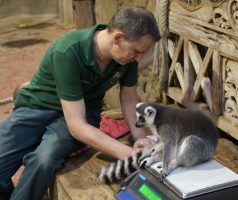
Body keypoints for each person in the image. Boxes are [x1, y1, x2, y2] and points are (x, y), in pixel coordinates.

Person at [0, 6, 160, 200]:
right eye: (137, 51)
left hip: (83, 113)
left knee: (43, 160)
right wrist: (127, 153)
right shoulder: (68, 50)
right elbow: (77, 127)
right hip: (36, 107)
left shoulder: (127, 60)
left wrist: (139, 136)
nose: (139, 58)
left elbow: (128, 98)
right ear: (118, 38)